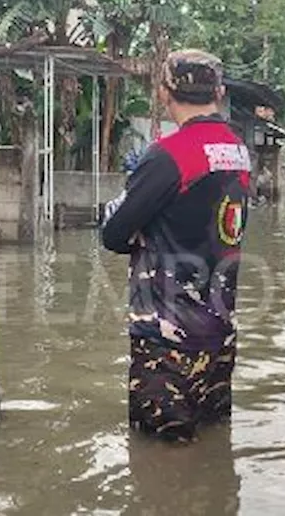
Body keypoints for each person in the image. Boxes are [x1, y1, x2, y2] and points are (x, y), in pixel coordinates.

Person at [100, 49, 250, 442]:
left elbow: (113, 234)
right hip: (220, 336)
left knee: (159, 467)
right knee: (213, 454)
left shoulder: (169, 156)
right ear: (218, 91)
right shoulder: (237, 150)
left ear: (163, 92)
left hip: (168, 344)